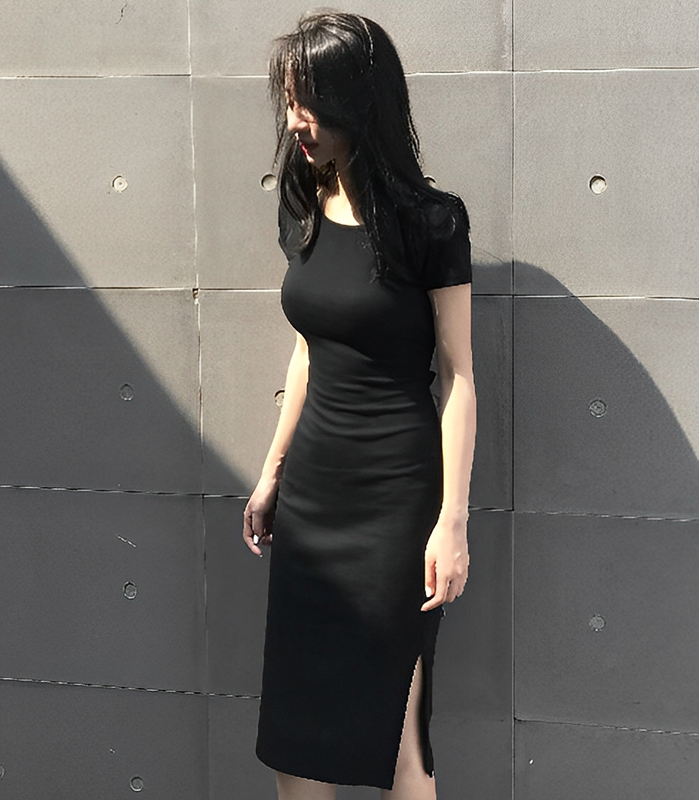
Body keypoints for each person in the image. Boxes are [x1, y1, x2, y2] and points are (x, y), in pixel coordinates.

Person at [242, 11, 476, 800]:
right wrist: (273, 472)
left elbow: (459, 378)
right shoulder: (300, 206)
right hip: (313, 499)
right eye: (288, 102)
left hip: (396, 505)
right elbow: (310, 351)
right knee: (295, 737)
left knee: (397, 738)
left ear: (357, 99)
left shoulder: (430, 221)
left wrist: (452, 523)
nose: (293, 121)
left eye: (307, 102)